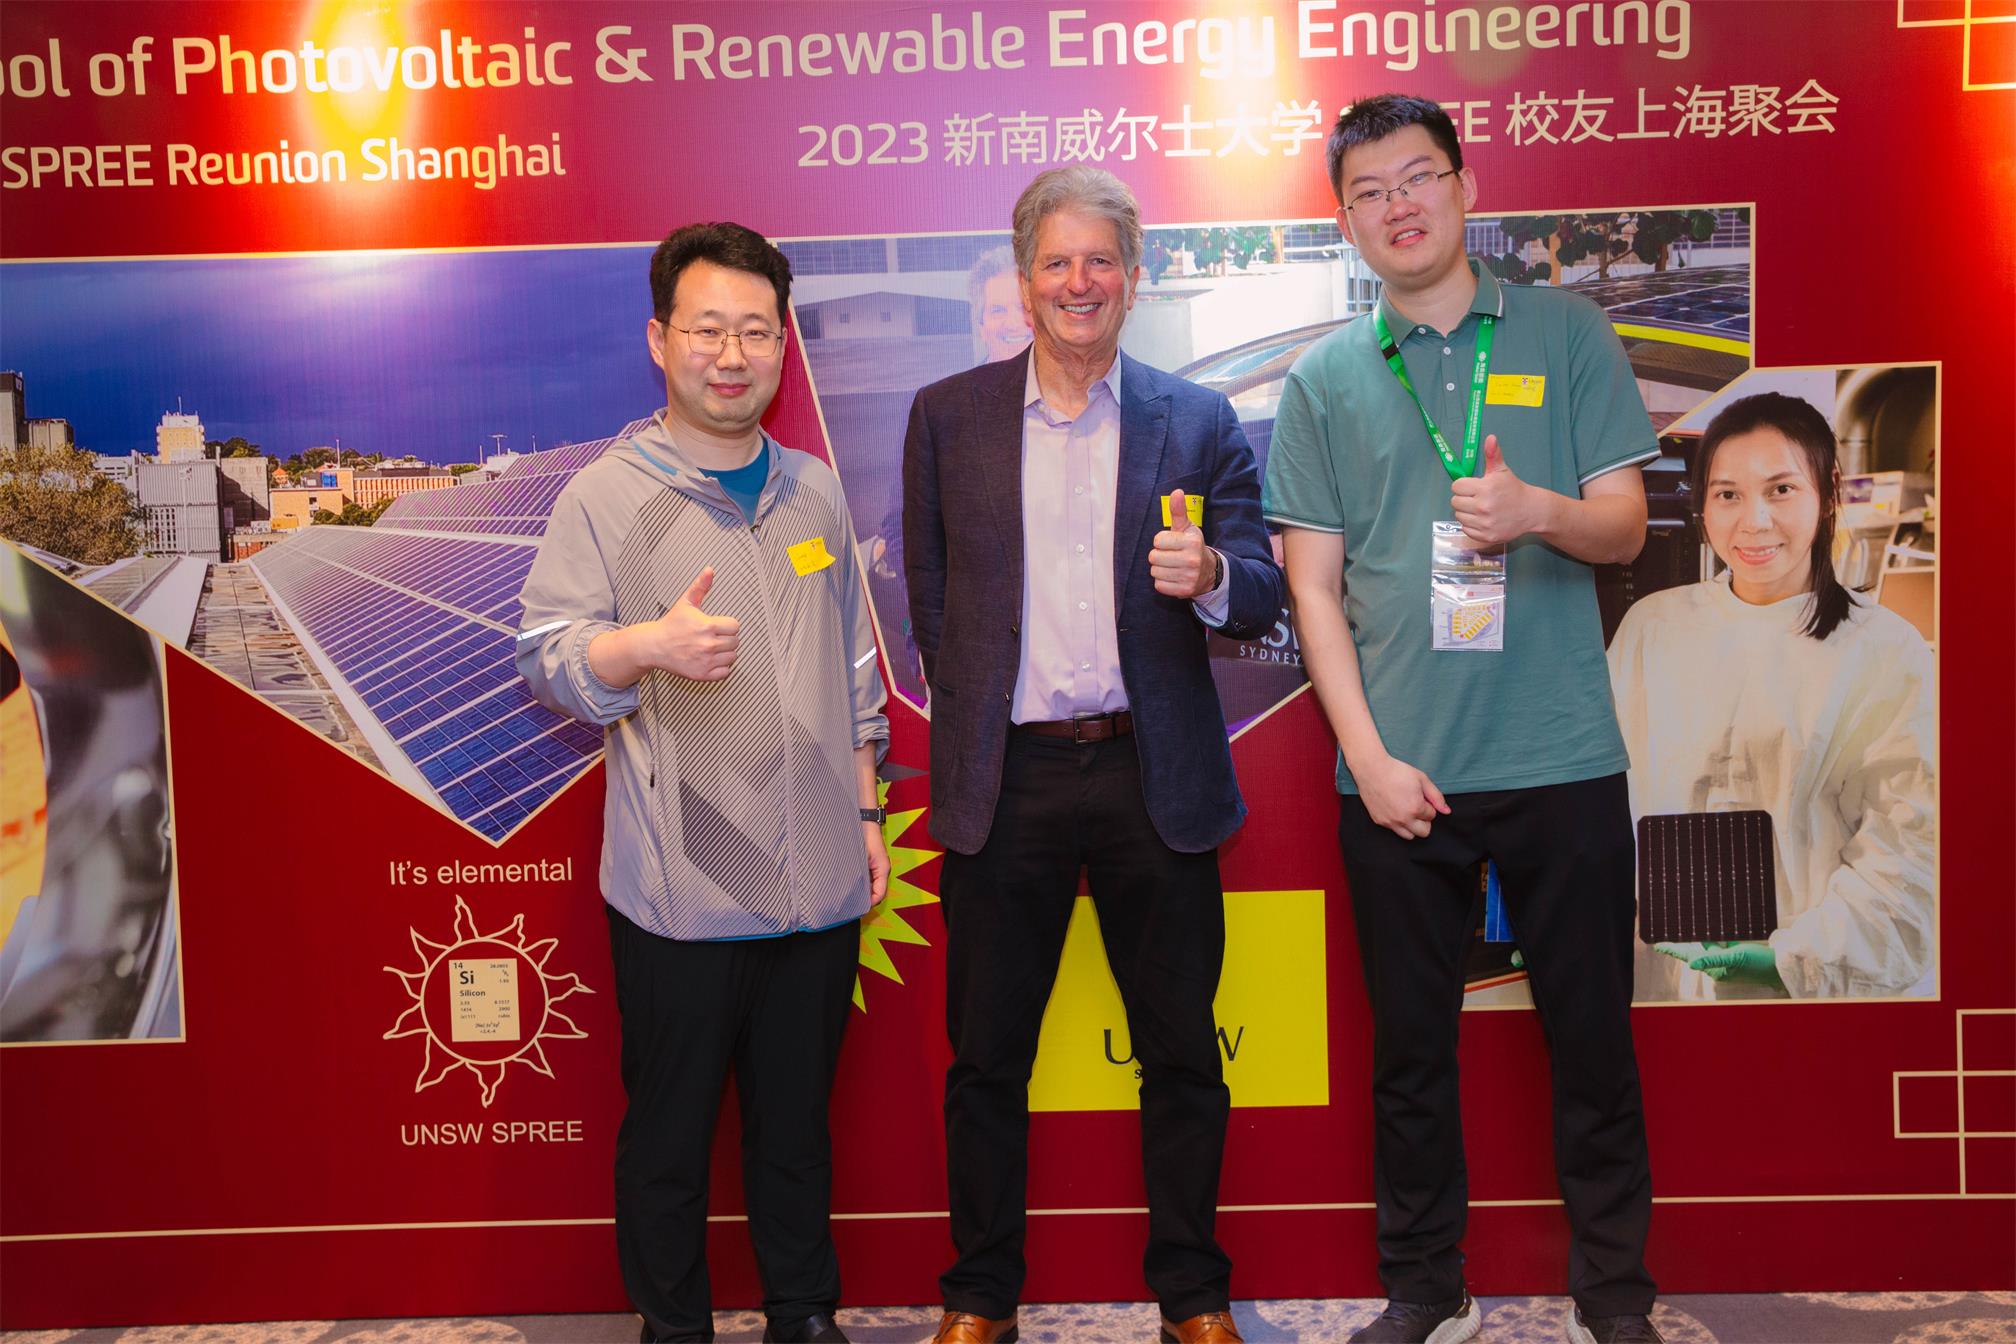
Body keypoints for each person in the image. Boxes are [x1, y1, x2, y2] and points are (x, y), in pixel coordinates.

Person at [1263, 95, 1662, 1344]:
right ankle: (1427, 1286)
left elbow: (1627, 526)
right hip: (1401, 775)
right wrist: (1368, 759)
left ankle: (1614, 1296)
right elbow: (1312, 591)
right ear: (1345, 221)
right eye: (1370, 191)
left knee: (1592, 1045)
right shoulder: (1325, 379)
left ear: (1466, 186)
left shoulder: (1568, 330)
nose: (1400, 205)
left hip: (1561, 755)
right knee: (1410, 1061)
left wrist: (1537, 511)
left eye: (1419, 176)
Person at [903, 165, 1283, 1344]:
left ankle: (1194, 1296)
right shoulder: (947, 416)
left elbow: (1261, 586)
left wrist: (1210, 575)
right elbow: (932, 602)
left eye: (1101, 260)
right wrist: (984, 709)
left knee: (1182, 1055)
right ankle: (980, 1297)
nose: (1080, 282)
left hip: (1149, 776)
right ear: (1025, 281)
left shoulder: (1196, 419)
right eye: (1057, 262)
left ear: (1135, 276)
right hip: (1004, 779)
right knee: (986, 1062)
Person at [516, 222, 889, 1344]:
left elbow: (854, 669)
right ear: (660, 339)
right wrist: (644, 648)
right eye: (708, 329)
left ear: (782, 344)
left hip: (820, 872)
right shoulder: (604, 496)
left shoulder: (816, 493)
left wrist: (866, 814)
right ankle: (672, 1326)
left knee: (798, 1131)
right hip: (682, 885)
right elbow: (545, 657)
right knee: (670, 1139)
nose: (733, 355)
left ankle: (803, 1314)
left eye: (756, 332)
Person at [1607, 391, 1936, 1001]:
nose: (1753, 521)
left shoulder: (1884, 650)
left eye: (1781, 489)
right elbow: (1601, 807)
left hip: (1809, 997)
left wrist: (1791, 960)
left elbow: (1911, 849)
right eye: (1727, 494)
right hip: (1660, 989)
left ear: (1828, 493)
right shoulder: (1652, 629)